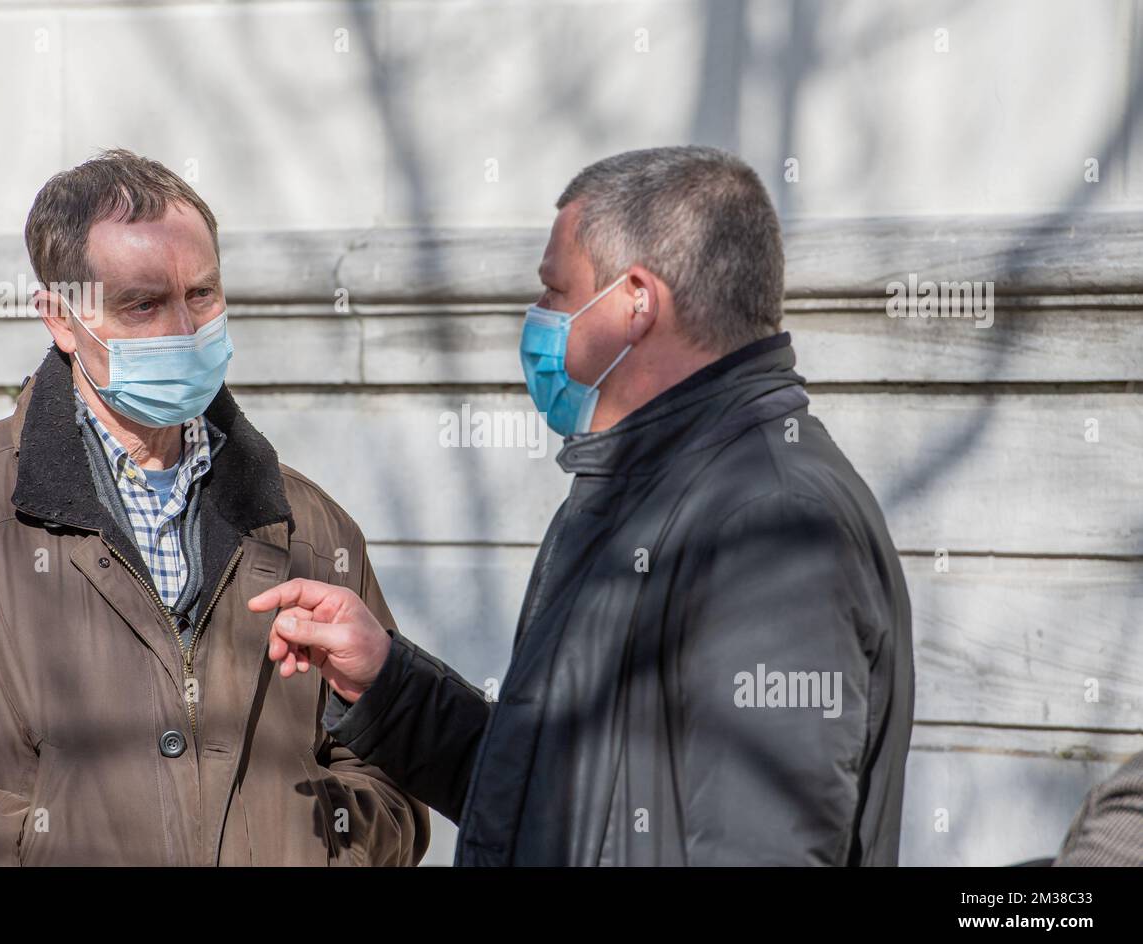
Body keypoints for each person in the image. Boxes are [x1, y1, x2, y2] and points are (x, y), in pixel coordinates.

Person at [249, 146, 915, 866]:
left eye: (554, 292)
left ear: (635, 301)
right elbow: (548, 802)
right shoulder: (634, 493)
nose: (537, 319)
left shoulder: (773, 522)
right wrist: (388, 682)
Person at [0, 149, 427, 865]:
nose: (184, 330)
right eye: (143, 304)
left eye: (202, 295)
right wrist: (42, 850)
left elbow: (393, 778)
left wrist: (314, 851)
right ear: (60, 320)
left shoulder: (311, 526)